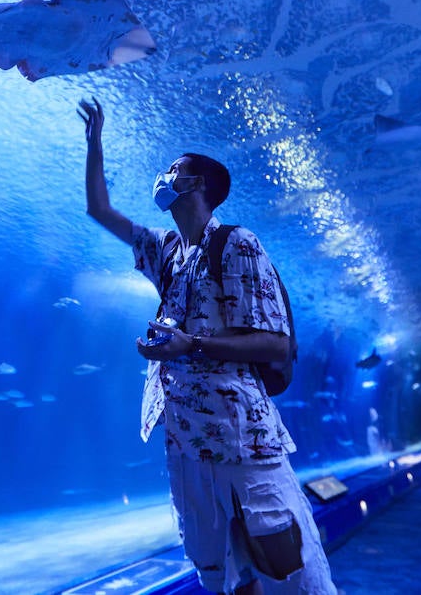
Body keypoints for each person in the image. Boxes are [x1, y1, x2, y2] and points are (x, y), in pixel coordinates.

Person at [78, 98, 335, 595]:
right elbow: (99, 210)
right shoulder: (169, 252)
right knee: (223, 574)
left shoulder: (237, 244)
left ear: (195, 185)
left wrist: (188, 343)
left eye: (172, 170)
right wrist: (94, 146)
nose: (163, 177)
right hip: (187, 443)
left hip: (244, 438)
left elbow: (275, 345)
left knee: (293, 568)